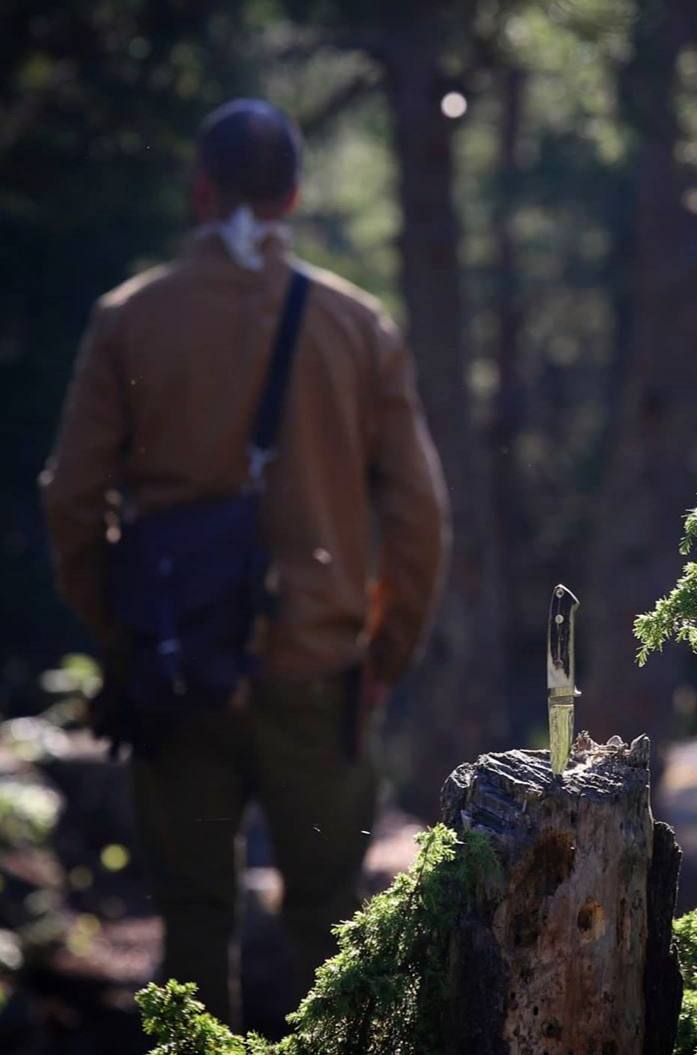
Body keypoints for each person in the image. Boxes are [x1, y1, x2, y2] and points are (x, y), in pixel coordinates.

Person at [39, 98, 450, 1026]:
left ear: (200, 189)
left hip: (178, 667)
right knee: (332, 932)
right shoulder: (357, 324)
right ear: (295, 196)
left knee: (189, 927)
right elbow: (419, 511)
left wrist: (128, 632)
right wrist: (381, 652)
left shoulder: (129, 318)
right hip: (318, 667)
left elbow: (71, 497)